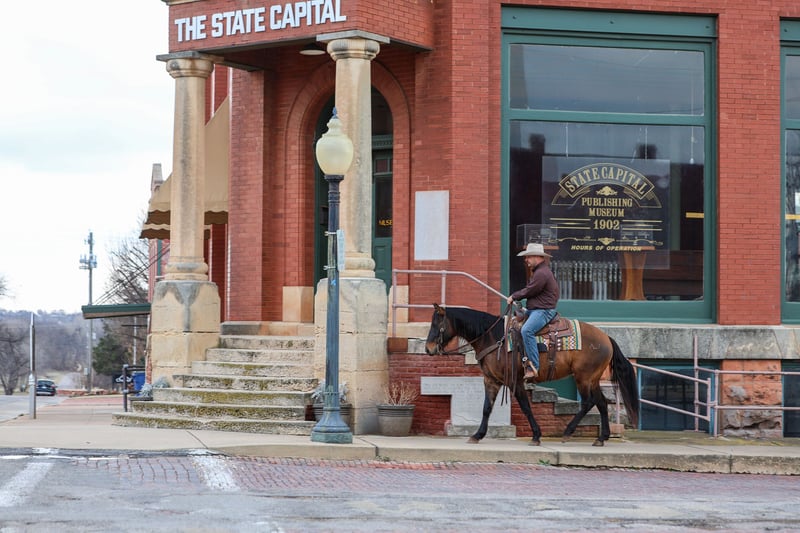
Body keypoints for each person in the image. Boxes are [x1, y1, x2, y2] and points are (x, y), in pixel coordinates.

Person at [506, 242, 559, 380]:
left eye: (528, 257)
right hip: (535, 310)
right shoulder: (540, 272)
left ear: (537, 257)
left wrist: (514, 296)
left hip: (543, 311)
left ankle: (533, 366)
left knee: (526, 330)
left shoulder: (542, 273)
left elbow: (530, 290)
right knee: (512, 324)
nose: (526, 260)